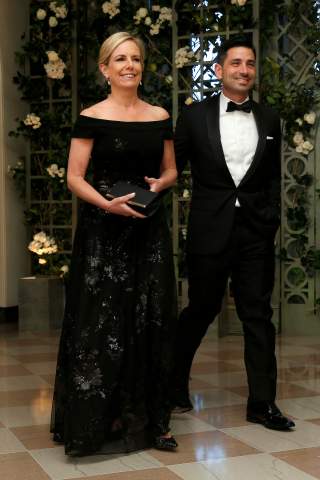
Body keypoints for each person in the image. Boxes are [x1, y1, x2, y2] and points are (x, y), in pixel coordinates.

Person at [50, 31, 178, 456]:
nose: (130, 65)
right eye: (120, 59)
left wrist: (162, 183)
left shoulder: (160, 115)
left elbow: (171, 171)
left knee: (150, 321)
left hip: (147, 231)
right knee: (101, 325)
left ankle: (152, 422)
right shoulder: (90, 116)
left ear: (142, 67)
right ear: (105, 68)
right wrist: (107, 205)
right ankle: (93, 424)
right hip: (103, 236)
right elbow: (73, 177)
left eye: (136, 59)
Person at [171, 36, 295, 431]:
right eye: (237, 63)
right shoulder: (193, 117)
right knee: (200, 310)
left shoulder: (271, 118)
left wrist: (270, 219)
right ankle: (173, 386)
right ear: (220, 70)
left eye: (251, 64)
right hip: (210, 230)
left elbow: (273, 177)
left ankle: (263, 403)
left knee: (257, 315)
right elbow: (173, 168)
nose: (245, 70)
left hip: (255, 233)